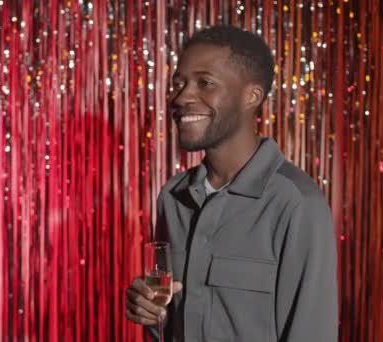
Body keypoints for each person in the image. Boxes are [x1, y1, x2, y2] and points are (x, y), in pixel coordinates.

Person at [125, 25, 338, 342]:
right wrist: (152, 314)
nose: (181, 97)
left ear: (251, 96)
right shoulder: (173, 197)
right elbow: (171, 325)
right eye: (179, 83)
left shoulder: (295, 203)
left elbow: (311, 333)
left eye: (205, 83)